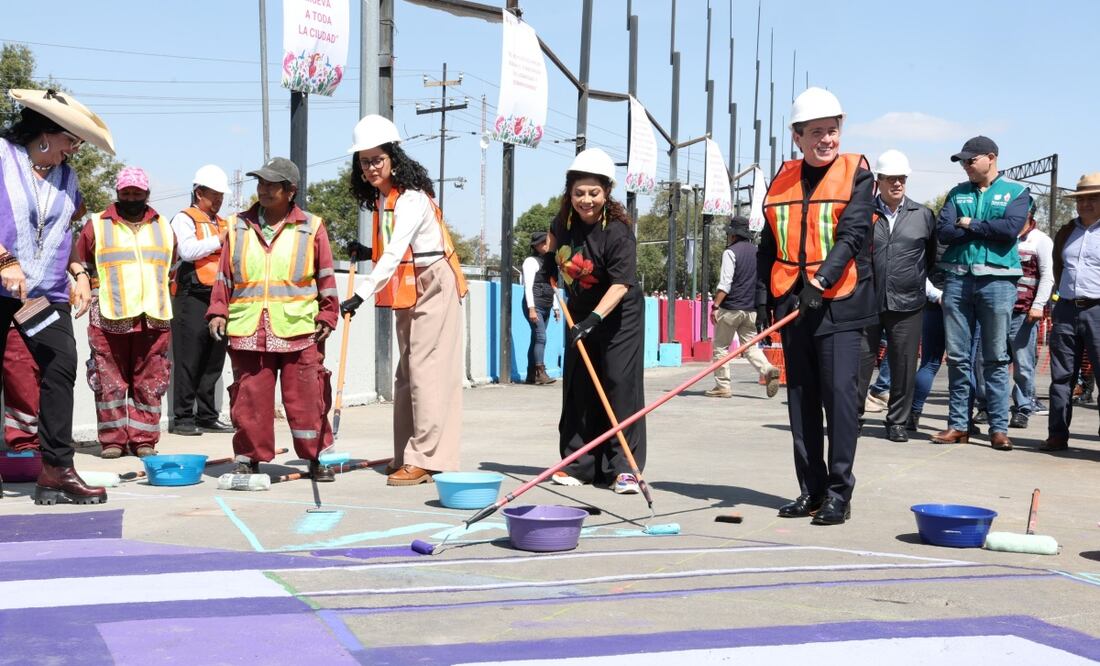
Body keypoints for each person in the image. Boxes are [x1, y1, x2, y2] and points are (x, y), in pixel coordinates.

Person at [759, 87, 875, 525]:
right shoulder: (782, 177)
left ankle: (839, 494)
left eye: (832, 130)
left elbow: (853, 234)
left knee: (839, 398)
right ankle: (810, 488)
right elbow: (769, 240)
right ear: (797, 137)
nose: (826, 139)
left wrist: (821, 280)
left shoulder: (857, 175)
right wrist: (763, 299)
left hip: (839, 303)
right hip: (792, 300)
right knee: (801, 397)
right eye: (816, 132)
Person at [339, 116, 468, 486]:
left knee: (426, 371)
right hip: (407, 284)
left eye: (377, 159)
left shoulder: (411, 198)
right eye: (364, 162)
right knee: (406, 374)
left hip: (434, 282)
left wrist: (359, 295)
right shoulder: (384, 200)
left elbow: (397, 251)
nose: (371, 168)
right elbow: (392, 249)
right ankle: (408, 453)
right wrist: (366, 251)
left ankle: (427, 457)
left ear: (394, 157)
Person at [0, 88, 110, 505]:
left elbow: (64, 231)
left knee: (61, 364)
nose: (74, 150)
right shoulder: (3, 157)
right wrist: (3, 260)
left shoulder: (68, 179)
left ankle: (56, 470)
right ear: (47, 133)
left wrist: (79, 271)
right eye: (72, 141)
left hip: (42, 293)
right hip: (1, 282)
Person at [207, 157, 339, 481]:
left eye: (271, 185)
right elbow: (224, 277)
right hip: (250, 327)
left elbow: (325, 276)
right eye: (261, 183)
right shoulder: (237, 226)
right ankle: (249, 457)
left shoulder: (312, 227)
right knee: (250, 398)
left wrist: (328, 313)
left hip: (300, 329)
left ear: (290, 191)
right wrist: (218, 311)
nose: (263, 190)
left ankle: (316, 457)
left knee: (308, 398)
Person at [543, 148, 646, 494]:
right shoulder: (564, 221)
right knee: (579, 384)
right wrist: (544, 257)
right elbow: (553, 245)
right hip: (580, 309)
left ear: (606, 192)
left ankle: (624, 469)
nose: (586, 200)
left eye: (594, 193)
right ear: (569, 193)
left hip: (619, 315)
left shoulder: (617, 232)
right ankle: (579, 464)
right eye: (579, 192)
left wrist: (595, 319)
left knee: (618, 384)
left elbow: (621, 283)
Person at [932, 136, 1030, 451]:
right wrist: (982, 226)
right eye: (963, 161)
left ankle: (998, 428)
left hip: (998, 281)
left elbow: (1009, 230)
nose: (966, 166)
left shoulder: (1017, 192)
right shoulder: (957, 192)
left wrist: (970, 223)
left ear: (991, 157)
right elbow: (944, 232)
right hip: (959, 279)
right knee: (958, 357)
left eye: (970, 160)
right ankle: (958, 424)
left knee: (996, 358)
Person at [79, 167, 175, 459]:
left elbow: (174, 267)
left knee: (150, 381)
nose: (131, 197)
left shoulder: (163, 226)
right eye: (126, 192)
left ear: (147, 194)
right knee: (109, 381)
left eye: (137, 192)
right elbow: (78, 261)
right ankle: (112, 440)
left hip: (154, 316)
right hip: (110, 315)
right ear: (118, 193)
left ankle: (143, 439)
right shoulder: (97, 224)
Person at [856, 150, 937, 442]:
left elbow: (931, 259)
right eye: (891, 178)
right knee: (860, 362)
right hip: (866, 301)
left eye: (902, 178)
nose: (898, 184)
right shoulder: (863, 213)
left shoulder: (923, 215)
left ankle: (897, 422)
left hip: (908, 302)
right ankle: (853, 418)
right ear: (878, 181)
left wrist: (919, 285)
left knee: (903, 365)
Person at [169, 165, 233, 436]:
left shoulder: (223, 222)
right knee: (189, 357)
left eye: (221, 195)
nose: (219, 200)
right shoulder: (184, 219)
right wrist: (219, 240)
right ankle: (183, 418)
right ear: (199, 192)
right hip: (191, 295)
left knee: (213, 358)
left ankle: (207, 415)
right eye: (214, 195)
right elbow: (187, 250)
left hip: (219, 296)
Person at [1043, 173, 1100, 451]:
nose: (1086, 204)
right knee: (1061, 377)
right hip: (1066, 308)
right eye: (1082, 199)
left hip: (1098, 310)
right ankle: (1057, 434)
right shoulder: (1067, 231)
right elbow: (1058, 268)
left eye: (1093, 198)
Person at [706, 216, 780, 398]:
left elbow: (725, 283)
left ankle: (722, 385)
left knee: (721, 347)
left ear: (732, 235)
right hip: (751, 310)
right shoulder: (757, 252)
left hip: (731, 308)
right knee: (751, 347)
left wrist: (715, 306)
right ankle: (768, 368)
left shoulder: (730, 252)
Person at [1005, 204, 1053, 429]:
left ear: (1029, 213)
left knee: (1024, 366)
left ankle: (1023, 408)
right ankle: (987, 407)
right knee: (989, 363)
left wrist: (1038, 306)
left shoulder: (1040, 240)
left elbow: (1047, 277)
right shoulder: (1002, 236)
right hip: (996, 311)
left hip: (1024, 314)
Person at [522, 231, 560, 385]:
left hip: (546, 304)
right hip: (535, 304)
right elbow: (528, 287)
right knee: (541, 337)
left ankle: (531, 374)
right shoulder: (531, 261)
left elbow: (553, 286)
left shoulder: (550, 262)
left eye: (547, 242)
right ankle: (540, 372)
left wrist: (556, 307)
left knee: (536, 338)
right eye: (542, 243)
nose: (546, 245)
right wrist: (531, 308)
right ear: (536, 246)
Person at [2, 329, 39, 450]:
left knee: (23, 383)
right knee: (21, 382)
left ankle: (26, 442)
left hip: (23, 322)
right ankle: (25, 441)